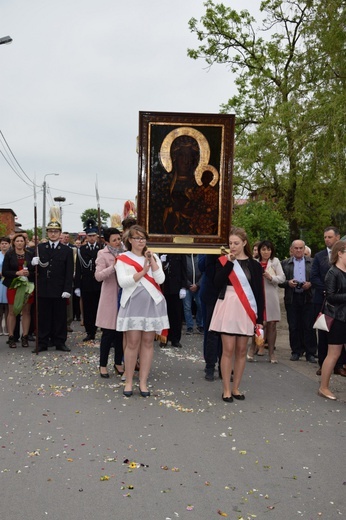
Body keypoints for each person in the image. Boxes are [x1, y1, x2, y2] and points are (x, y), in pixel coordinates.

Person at [210, 227, 264, 402]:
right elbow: (217, 283)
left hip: (246, 309)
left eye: (236, 243)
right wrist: (230, 263)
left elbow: (258, 292)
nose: (232, 246)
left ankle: (236, 388)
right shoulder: (223, 261)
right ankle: (226, 389)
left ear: (244, 243)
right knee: (228, 350)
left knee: (241, 350)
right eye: (230, 243)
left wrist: (260, 319)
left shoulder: (255, 265)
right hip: (228, 306)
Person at [115, 225, 169, 397]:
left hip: (152, 304)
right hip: (132, 304)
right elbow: (123, 282)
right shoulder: (122, 258)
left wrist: (151, 262)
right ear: (130, 240)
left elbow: (160, 279)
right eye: (137, 238)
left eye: (143, 238)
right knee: (132, 343)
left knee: (147, 343)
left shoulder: (153, 256)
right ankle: (129, 381)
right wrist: (143, 272)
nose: (140, 241)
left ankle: (143, 382)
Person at [31, 219, 74, 352]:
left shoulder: (66, 250)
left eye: (56, 231)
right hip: (44, 287)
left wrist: (67, 289)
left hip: (59, 288)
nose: (53, 234)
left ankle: (60, 341)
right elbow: (33, 271)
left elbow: (69, 271)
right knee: (43, 316)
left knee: (59, 317)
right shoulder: (40, 248)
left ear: (60, 233)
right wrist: (33, 264)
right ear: (47, 233)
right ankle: (42, 342)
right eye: (50, 231)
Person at [311, 226, 346, 376]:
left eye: (329, 237)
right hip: (328, 307)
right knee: (326, 339)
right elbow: (315, 277)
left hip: (342, 312)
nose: (326, 239)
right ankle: (323, 373)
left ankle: (339, 366)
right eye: (325, 237)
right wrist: (325, 290)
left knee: (337, 346)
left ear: (337, 237)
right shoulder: (323, 260)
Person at [248, 240, 285, 363]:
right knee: (258, 324)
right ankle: (252, 349)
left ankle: (271, 353)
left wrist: (270, 277)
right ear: (259, 251)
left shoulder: (275, 262)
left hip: (271, 296)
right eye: (263, 249)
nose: (266, 252)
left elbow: (282, 278)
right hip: (257, 295)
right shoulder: (254, 262)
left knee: (272, 324)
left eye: (268, 249)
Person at [280, 239, 317, 363]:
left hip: (308, 297)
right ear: (292, 249)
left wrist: (311, 284)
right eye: (296, 248)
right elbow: (279, 281)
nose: (299, 250)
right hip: (292, 297)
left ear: (304, 249)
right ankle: (296, 351)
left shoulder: (312, 262)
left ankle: (310, 352)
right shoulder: (285, 263)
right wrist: (288, 283)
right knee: (294, 326)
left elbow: (319, 279)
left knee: (309, 326)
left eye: (301, 248)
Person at [318, 241, 346, 400]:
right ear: (340, 253)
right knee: (333, 354)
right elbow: (330, 297)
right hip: (336, 319)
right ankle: (323, 387)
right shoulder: (333, 272)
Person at [95, 227, 124, 378]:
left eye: (119, 238)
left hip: (125, 296)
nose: (118, 242)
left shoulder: (126, 252)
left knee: (121, 334)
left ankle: (118, 362)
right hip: (110, 297)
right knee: (108, 333)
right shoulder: (102, 253)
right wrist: (114, 267)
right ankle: (103, 364)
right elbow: (98, 276)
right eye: (114, 240)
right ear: (107, 242)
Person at [2, 233, 34, 348]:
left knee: (26, 311)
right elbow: (5, 271)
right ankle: (11, 337)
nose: (19, 243)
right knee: (12, 311)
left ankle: (25, 336)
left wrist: (29, 273)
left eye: (21, 241)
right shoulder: (9, 255)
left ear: (25, 242)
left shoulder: (30, 254)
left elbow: (36, 271)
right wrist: (17, 273)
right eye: (17, 241)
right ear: (13, 243)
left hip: (27, 286)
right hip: (13, 286)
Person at [75, 221, 102, 341]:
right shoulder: (82, 249)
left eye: (93, 235)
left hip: (99, 284)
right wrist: (77, 286)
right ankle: (90, 331)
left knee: (99, 307)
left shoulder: (102, 248)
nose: (92, 238)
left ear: (97, 236)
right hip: (86, 283)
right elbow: (79, 269)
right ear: (86, 236)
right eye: (89, 236)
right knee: (87, 309)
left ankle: (100, 328)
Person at [159, 253, 187, 348]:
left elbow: (184, 270)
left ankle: (175, 339)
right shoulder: (162, 253)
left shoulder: (180, 253)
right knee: (164, 314)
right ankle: (164, 338)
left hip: (176, 288)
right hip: (164, 287)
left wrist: (183, 287)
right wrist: (161, 262)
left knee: (176, 315)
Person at [183, 253, 203, 335]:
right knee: (187, 307)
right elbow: (182, 272)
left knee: (201, 305)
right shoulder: (184, 257)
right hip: (187, 286)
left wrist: (198, 284)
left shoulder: (200, 256)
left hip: (198, 286)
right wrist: (188, 284)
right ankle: (189, 327)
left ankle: (200, 325)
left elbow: (204, 272)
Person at [0, 237, 10, 335]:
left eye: (6, 243)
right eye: (2, 243)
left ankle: (7, 327)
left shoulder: (11, 255)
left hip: (8, 281)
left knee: (7, 306)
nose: (4, 245)